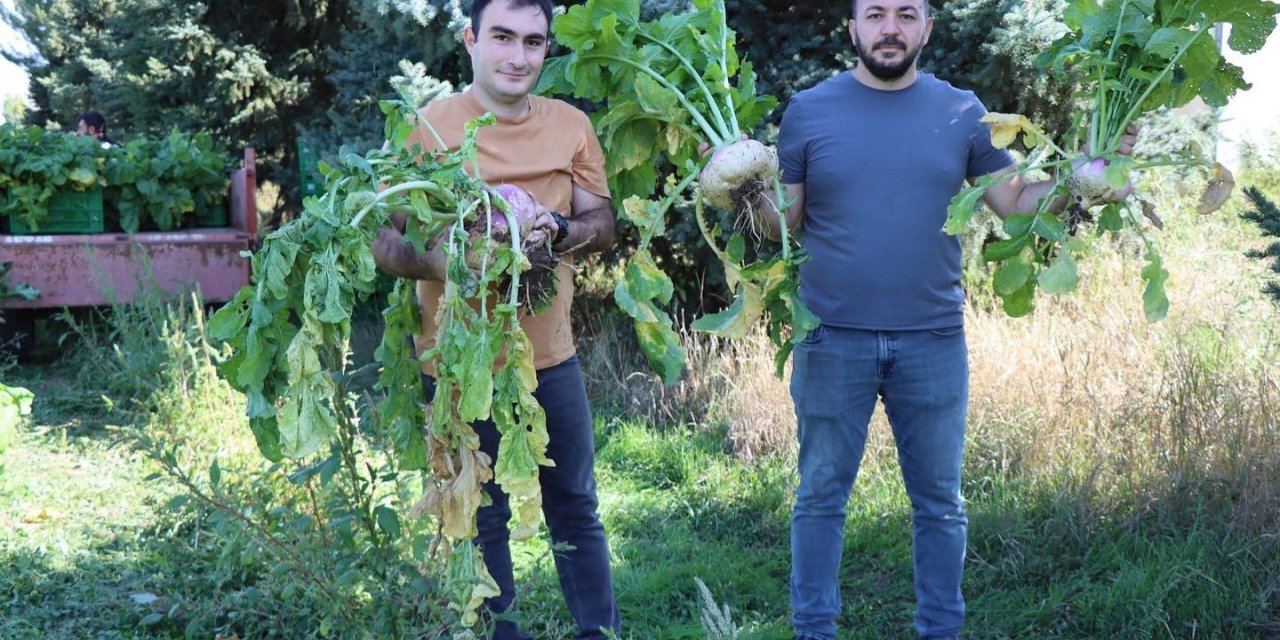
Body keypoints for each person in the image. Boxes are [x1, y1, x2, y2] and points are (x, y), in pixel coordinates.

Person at [712, 1, 1139, 639]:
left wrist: (1092, 175)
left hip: (934, 338)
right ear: (852, 28)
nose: (891, 27)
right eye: (876, 13)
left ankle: (941, 630)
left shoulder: (962, 110)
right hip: (832, 335)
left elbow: (1018, 203)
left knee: (939, 504)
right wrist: (739, 185)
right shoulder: (809, 110)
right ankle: (813, 630)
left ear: (927, 28)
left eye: (907, 14)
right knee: (820, 498)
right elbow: (785, 223)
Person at [371, 1, 621, 638]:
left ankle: (601, 631)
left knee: (576, 508)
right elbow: (383, 243)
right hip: (456, 361)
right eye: (502, 37)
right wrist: (447, 262)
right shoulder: (426, 129)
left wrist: (556, 229)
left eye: (533, 42)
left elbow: (603, 227)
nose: (518, 56)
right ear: (470, 40)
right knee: (479, 516)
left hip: (550, 359)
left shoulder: (570, 126)